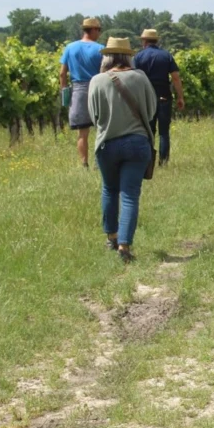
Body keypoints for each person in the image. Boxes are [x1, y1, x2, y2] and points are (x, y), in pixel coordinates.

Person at [88, 37, 157, 263]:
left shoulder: (97, 80)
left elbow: (93, 116)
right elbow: (151, 110)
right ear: (129, 56)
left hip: (106, 143)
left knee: (109, 189)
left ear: (107, 57)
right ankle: (124, 246)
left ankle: (111, 236)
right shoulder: (140, 77)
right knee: (130, 195)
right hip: (137, 143)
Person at [131, 29, 184, 166]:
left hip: (146, 99)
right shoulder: (166, 56)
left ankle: (148, 161)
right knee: (164, 132)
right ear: (157, 41)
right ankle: (163, 162)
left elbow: (132, 78)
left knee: (149, 131)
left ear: (144, 41)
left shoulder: (138, 57)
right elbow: (176, 78)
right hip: (164, 97)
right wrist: (180, 97)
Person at [59, 17, 104, 168]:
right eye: (99, 30)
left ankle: (84, 163)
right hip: (97, 87)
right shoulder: (100, 49)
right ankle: (99, 162)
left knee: (82, 132)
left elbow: (62, 73)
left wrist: (65, 91)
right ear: (93, 30)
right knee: (101, 128)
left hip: (78, 90)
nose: (99, 33)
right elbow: (104, 72)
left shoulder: (70, 48)